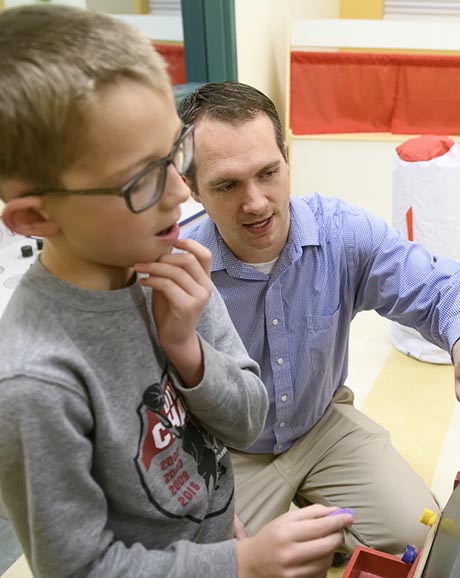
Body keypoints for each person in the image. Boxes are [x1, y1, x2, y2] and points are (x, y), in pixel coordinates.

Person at [0, 7, 352, 578]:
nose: (180, 195)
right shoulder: (33, 380)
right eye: (140, 180)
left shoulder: (169, 259)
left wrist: (188, 351)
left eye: (175, 157)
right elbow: (80, 567)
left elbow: (246, 418)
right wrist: (238, 564)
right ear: (37, 216)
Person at [177, 81, 460, 556]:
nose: (257, 202)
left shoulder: (339, 232)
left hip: (322, 425)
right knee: (208, 563)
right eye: (227, 184)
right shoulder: (175, 272)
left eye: (268, 172)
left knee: (422, 537)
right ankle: (308, 527)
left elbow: (437, 282)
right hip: (225, 454)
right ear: (191, 186)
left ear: (287, 156)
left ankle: (313, 520)